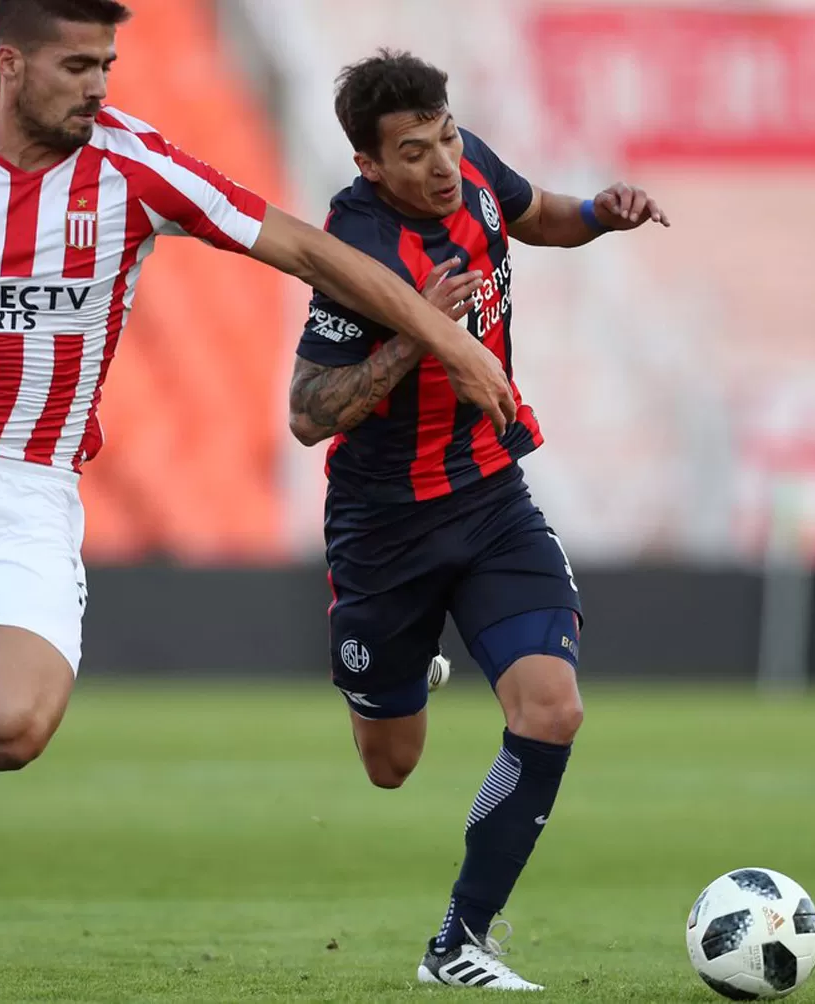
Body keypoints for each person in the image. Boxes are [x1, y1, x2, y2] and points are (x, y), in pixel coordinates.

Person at [0, 1, 516, 993]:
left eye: (107, 64)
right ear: (10, 63)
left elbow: (305, 250)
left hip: (32, 485)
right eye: (76, 65)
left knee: (13, 732)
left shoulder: (134, 166)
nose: (97, 85)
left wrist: (450, 337)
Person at [289, 51, 667, 991]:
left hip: (493, 495)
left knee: (553, 708)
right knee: (390, 765)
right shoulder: (358, 248)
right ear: (371, 166)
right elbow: (307, 412)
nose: (442, 164)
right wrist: (422, 335)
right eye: (413, 152)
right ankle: (410, 663)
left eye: (446, 137)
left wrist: (597, 216)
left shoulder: (475, 173)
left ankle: (460, 941)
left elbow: (537, 215)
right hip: (384, 528)